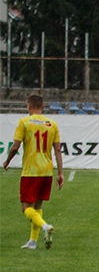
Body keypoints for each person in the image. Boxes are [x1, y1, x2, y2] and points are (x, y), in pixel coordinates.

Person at [4, 95, 63, 250]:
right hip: (47, 171)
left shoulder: (24, 122)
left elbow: (15, 147)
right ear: (42, 107)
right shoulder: (52, 124)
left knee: (26, 207)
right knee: (38, 205)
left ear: (28, 106)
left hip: (31, 171)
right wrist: (60, 173)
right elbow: (57, 150)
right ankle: (33, 241)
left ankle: (45, 226)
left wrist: (7, 161)